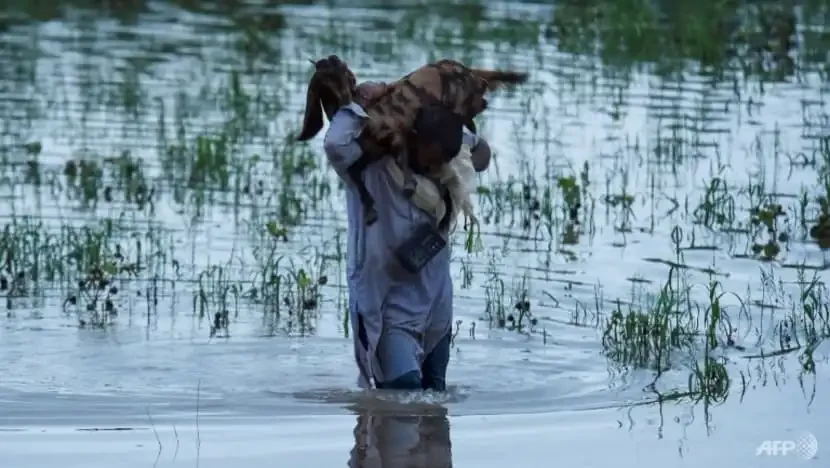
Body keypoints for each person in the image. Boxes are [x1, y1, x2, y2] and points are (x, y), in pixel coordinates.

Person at [323, 81, 492, 392]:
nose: (435, 166)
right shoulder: (370, 164)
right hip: (387, 309)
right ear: (411, 140)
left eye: (443, 159)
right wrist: (359, 104)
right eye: (430, 159)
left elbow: (481, 156)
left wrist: (466, 131)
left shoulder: (447, 151)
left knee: (434, 403)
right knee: (403, 397)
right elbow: (335, 144)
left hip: (435, 304)